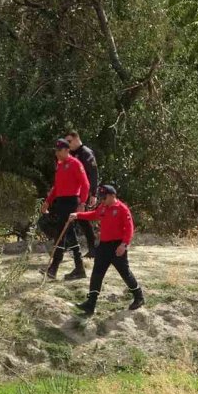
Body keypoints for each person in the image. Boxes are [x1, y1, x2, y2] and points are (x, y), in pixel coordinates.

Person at [68, 184, 144, 315]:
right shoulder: (103, 207)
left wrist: (124, 245)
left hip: (117, 246)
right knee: (97, 273)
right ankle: (90, 304)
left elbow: (130, 228)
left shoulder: (122, 209)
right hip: (103, 246)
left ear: (112, 196)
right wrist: (78, 215)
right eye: (101, 197)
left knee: (124, 272)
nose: (102, 200)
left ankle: (139, 297)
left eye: (104, 197)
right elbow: (94, 215)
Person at [41, 139, 90, 280]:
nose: (56, 153)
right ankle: (78, 268)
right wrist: (47, 202)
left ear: (66, 150)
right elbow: (56, 187)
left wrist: (82, 203)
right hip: (61, 202)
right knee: (67, 233)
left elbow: (85, 184)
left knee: (62, 233)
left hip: (71, 201)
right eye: (55, 151)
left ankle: (54, 267)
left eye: (58, 150)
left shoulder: (75, 164)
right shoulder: (60, 165)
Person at [66, 131, 100, 258]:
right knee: (74, 218)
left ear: (76, 139)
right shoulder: (71, 154)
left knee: (83, 220)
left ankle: (93, 248)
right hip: (74, 192)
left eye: (69, 141)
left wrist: (93, 194)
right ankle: (66, 246)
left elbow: (93, 174)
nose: (68, 144)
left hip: (84, 193)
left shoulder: (86, 153)